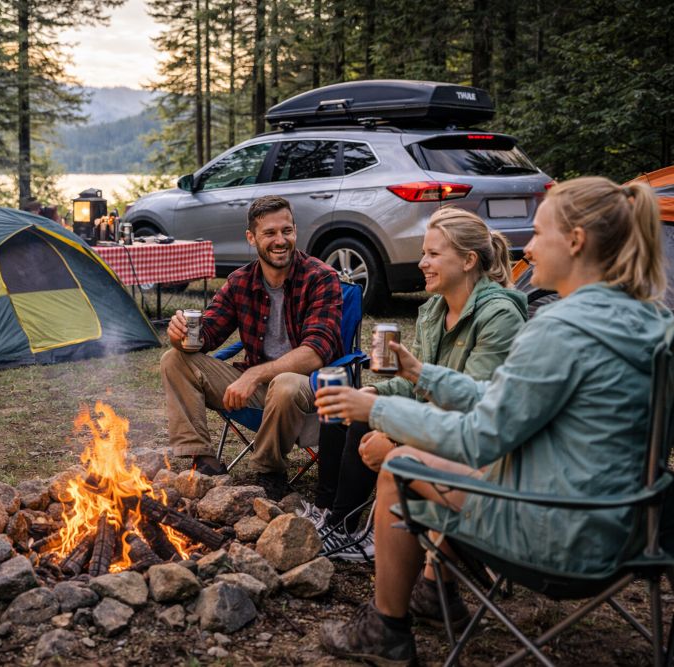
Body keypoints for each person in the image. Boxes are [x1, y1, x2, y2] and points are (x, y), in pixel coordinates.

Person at [315, 176, 673, 665]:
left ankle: (387, 630)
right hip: (631, 524)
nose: (527, 244)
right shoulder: (651, 320)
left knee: (400, 466)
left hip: (562, 535)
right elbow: (507, 401)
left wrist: (375, 408)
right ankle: (428, 595)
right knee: (426, 456)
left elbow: (479, 437)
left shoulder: (561, 328)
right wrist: (423, 373)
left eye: (541, 231)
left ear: (575, 241)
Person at [309, 207, 527, 562]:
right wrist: (373, 394)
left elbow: (473, 405)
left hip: (477, 447)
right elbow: (417, 384)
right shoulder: (434, 311)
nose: (422, 262)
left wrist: (394, 434)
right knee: (351, 402)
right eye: (424, 252)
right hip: (439, 424)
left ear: (469, 260)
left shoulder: (498, 316)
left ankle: (366, 534)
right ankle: (338, 523)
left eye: (434, 254)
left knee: (371, 417)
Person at [162, 195, 344, 499]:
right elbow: (206, 334)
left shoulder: (321, 277)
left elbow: (315, 352)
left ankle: (268, 469)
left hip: (309, 389)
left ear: (295, 231)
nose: (280, 240)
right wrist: (180, 334)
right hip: (257, 391)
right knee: (174, 359)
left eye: (286, 231)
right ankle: (204, 461)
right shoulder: (240, 282)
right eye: (269, 233)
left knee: (284, 384)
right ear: (251, 238)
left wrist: (254, 375)